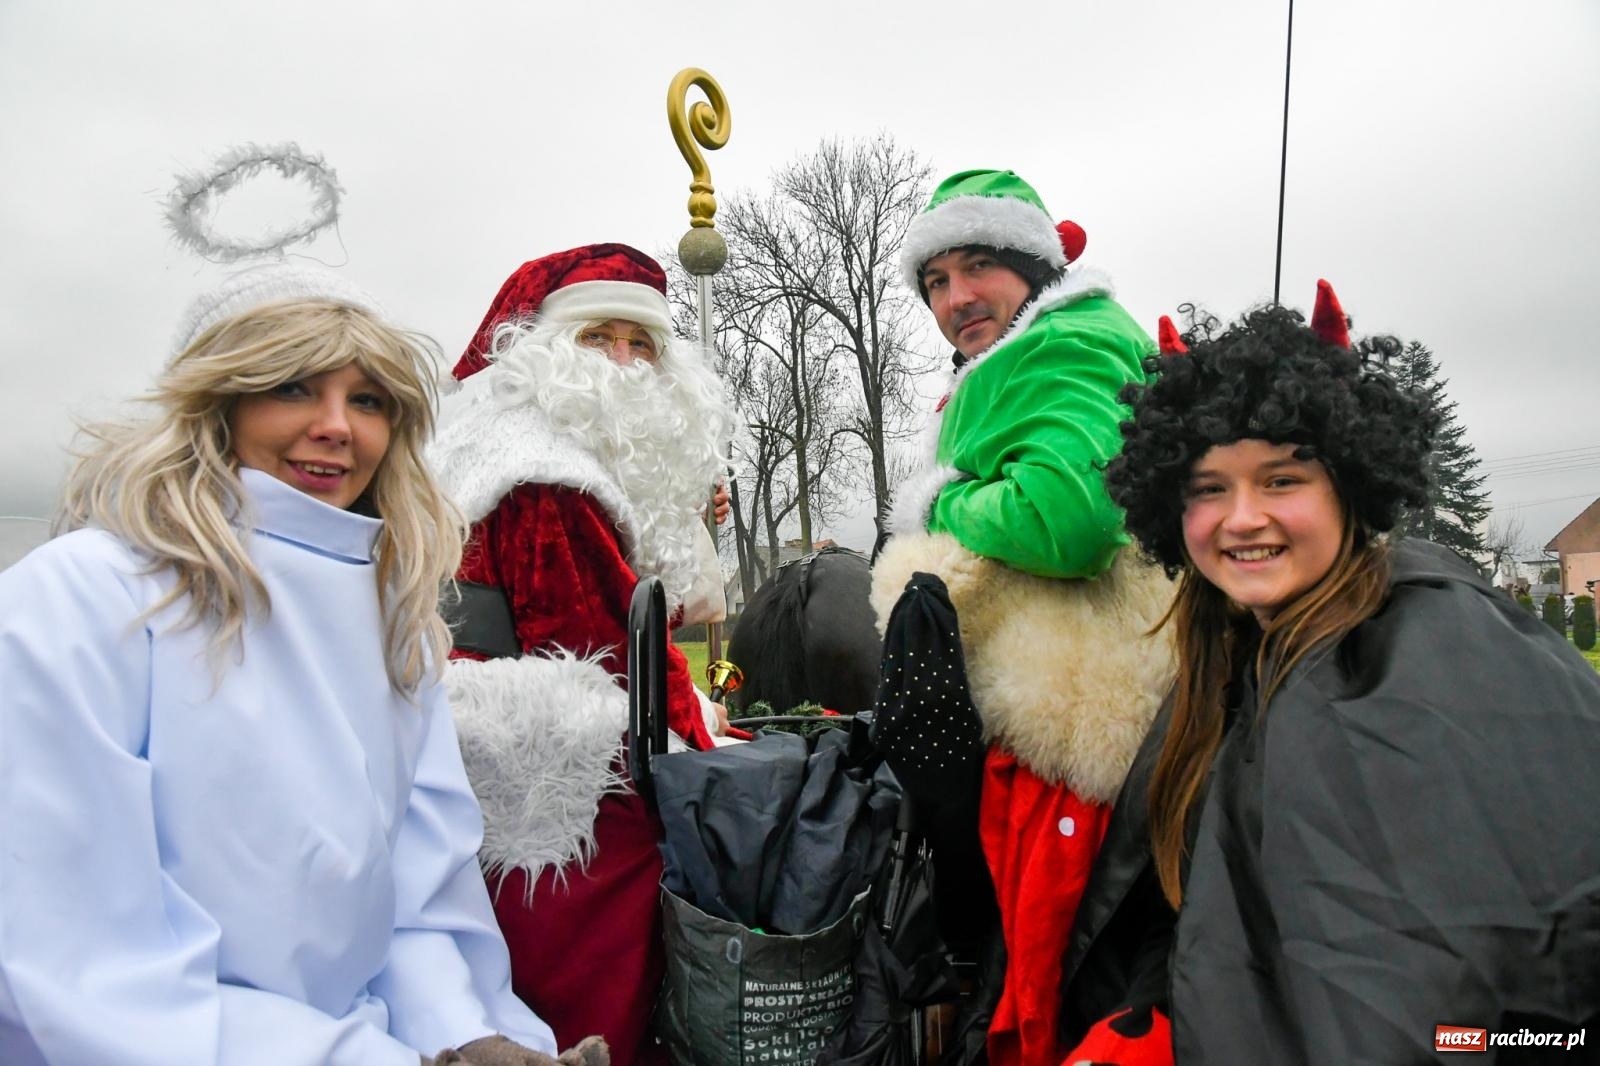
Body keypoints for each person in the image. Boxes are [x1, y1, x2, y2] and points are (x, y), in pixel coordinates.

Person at [0, 261, 599, 1066]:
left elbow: (414, 900)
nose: (337, 427)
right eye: (292, 388)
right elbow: (79, 958)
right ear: (217, 404)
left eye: (367, 400)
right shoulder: (83, 598)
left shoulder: (397, 629)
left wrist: (463, 1034)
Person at [1060, 284, 1600, 1063]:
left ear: (1349, 487)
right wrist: (1151, 1018)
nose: (1243, 517)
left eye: (1282, 479)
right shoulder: (1229, 654)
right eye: (1209, 489)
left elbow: (1435, 993)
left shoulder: (1428, 648)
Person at [868, 169, 1176, 1065]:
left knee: (1064, 990)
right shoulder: (1030, 350)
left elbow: (1064, 520)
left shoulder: (1060, 344)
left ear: (1032, 267)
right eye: (935, 282)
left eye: (977, 269)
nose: (957, 298)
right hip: (1069, 729)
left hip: (1077, 740)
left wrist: (942, 502)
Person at [428, 243, 735, 1065]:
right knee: (593, 1016)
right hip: (572, 813)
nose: (629, 364)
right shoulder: (546, 475)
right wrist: (711, 748)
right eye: (604, 338)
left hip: (487, 784)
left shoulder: (499, 440)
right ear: (549, 348)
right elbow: (615, 648)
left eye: (646, 346)